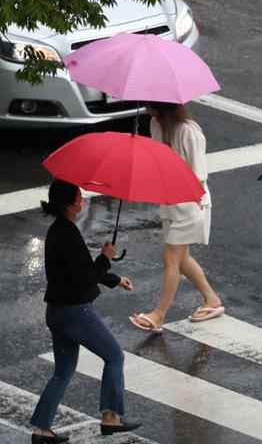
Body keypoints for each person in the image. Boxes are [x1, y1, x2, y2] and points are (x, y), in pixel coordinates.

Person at [31, 179, 139, 444]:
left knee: (63, 371)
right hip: (75, 312)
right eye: (80, 196)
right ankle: (111, 418)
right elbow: (84, 278)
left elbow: (79, 271)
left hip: (56, 312)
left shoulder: (59, 230)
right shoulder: (68, 235)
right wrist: (106, 256)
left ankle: (41, 430)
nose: (84, 199)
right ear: (70, 205)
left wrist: (113, 278)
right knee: (114, 356)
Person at [130, 102, 223, 333]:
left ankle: (159, 315)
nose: (147, 109)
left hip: (192, 202)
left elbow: (199, 173)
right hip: (170, 200)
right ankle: (211, 299)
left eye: (150, 105)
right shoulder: (155, 123)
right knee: (181, 260)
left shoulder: (189, 131)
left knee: (170, 258)